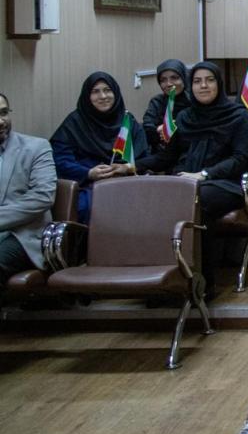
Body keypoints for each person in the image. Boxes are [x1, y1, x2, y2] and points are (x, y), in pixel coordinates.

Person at [133, 62, 248, 298]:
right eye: (197, 81)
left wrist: (204, 174)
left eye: (210, 80)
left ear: (219, 84)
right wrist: (132, 166)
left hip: (224, 184)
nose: (204, 86)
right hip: (186, 182)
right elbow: (166, 157)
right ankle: (159, 281)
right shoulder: (184, 117)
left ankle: (200, 282)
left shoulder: (238, 116)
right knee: (154, 200)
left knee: (198, 201)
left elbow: (241, 159)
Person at [51, 72, 149, 222]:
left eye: (107, 90)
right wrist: (88, 173)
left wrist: (126, 168)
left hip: (125, 181)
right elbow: (60, 160)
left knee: (143, 205)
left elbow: (143, 156)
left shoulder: (127, 120)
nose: (103, 96)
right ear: (87, 96)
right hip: (88, 184)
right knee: (87, 207)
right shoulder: (75, 122)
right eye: (95, 91)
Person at [0, 92, 56, 290]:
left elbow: (43, 197)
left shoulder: (36, 147)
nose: (1, 121)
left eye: (4, 113)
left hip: (23, 235)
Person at [142, 59, 189, 153]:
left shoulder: (193, 100)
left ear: (184, 78)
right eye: (163, 80)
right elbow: (147, 125)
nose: (169, 84)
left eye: (174, 78)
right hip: (163, 151)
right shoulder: (157, 102)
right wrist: (158, 130)